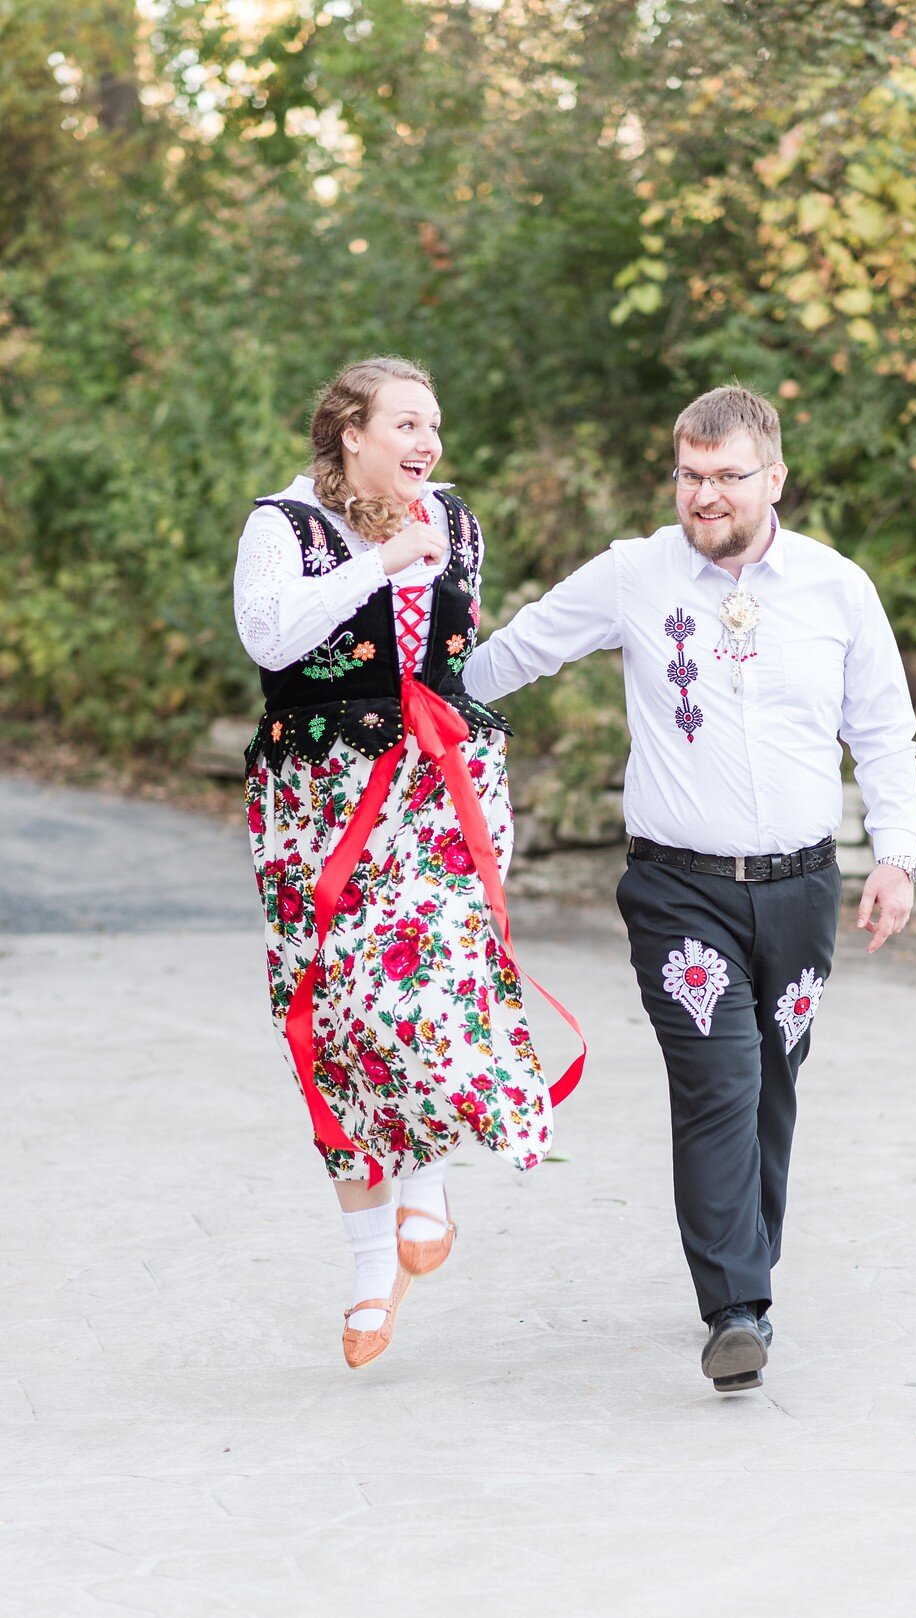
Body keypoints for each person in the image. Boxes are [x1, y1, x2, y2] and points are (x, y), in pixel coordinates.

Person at [463, 384, 916, 1394]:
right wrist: (400, 680)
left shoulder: (838, 588)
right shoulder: (633, 575)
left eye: (725, 476)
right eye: (689, 475)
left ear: (774, 479)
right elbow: (516, 653)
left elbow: (882, 727)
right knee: (719, 1078)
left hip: (801, 887)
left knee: (773, 1082)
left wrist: (898, 855)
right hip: (678, 888)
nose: (704, 494)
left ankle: (745, 1270)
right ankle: (736, 1307)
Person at [234, 356, 579, 1370]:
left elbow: (455, 660)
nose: (429, 445)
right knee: (332, 1022)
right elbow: (269, 635)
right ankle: (368, 1270)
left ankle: (424, 1191)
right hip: (315, 799)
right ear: (351, 431)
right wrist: (373, 565)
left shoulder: (454, 519)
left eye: (435, 426)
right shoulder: (285, 525)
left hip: (437, 782)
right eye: (408, 425)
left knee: (408, 985)